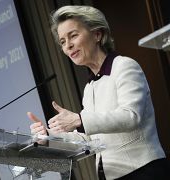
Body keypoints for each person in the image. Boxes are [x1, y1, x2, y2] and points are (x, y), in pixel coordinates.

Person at [28, 5, 167, 180]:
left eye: (73, 36)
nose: (68, 46)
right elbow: (87, 139)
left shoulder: (124, 66)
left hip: (144, 171)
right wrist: (48, 136)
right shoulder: (90, 87)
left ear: (97, 34)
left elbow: (131, 116)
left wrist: (78, 119)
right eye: (63, 42)